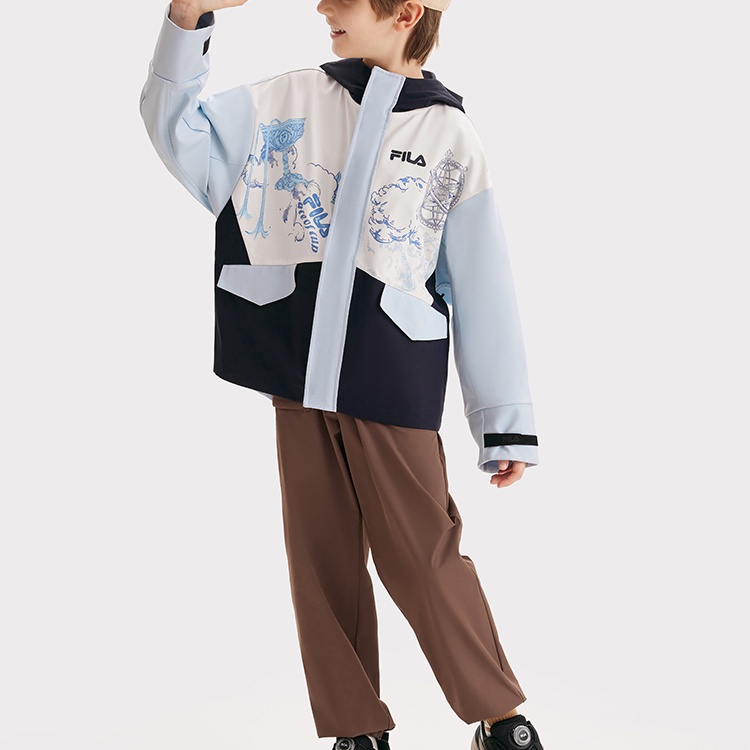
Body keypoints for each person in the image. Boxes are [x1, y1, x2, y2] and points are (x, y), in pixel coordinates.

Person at [140, 1, 545, 748]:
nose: (322, 6)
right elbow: (177, 130)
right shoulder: (289, 99)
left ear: (404, 13)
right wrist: (187, 17)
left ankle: (501, 719)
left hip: (391, 377)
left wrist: (503, 421)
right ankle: (356, 732)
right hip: (296, 373)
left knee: (424, 557)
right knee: (320, 564)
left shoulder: (451, 137)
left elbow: (481, 285)